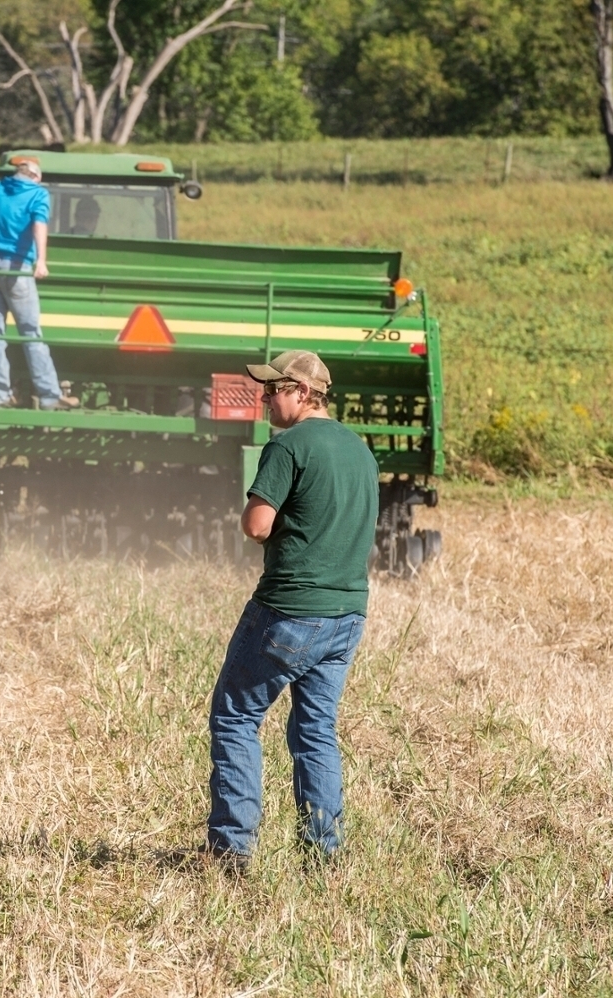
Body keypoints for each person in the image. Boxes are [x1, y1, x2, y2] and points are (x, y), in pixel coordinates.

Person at [205, 349, 380, 870]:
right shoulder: (359, 450)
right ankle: (323, 853)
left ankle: (231, 851)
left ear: (301, 392)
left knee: (235, 716)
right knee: (315, 729)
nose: (264, 398)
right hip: (347, 614)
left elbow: (256, 524)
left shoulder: (289, 446)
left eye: (272, 389)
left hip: (289, 611)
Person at [0, 158, 79, 410]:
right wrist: (41, 261)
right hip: (17, 268)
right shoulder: (37, 193)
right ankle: (49, 395)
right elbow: (39, 226)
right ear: (34, 176)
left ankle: (0, 395)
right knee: (31, 332)